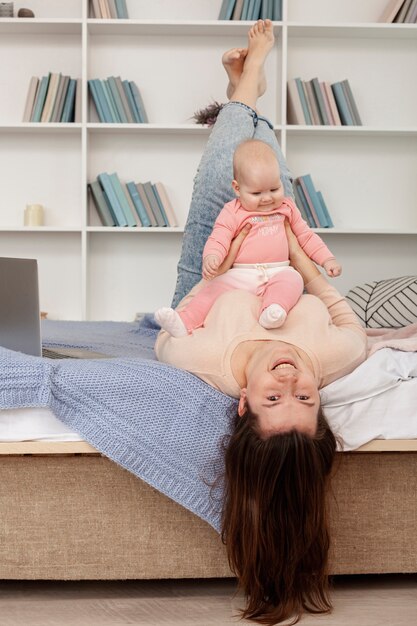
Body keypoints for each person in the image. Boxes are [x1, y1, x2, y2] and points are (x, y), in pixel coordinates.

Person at [155, 20, 367, 626]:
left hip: (208, 279)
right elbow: (352, 331)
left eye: (277, 396)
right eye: (305, 396)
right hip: (279, 258)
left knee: (214, 177)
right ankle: (243, 85)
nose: (291, 376)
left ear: (244, 404)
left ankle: (245, 84)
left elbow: (170, 344)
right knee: (266, 174)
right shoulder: (330, 358)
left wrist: (194, 304)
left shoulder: (213, 366)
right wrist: (318, 281)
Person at [155, 138, 341, 337]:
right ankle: (184, 322)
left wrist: (326, 258)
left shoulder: (287, 208)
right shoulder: (232, 211)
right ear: (237, 188)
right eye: (256, 193)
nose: (267, 198)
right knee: (212, 289)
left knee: (294, 280)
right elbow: (219, 237)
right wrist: (212, 257)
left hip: (279, 270)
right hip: (241, 274)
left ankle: (273, 311)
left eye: (274, 189)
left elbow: (306, 236)